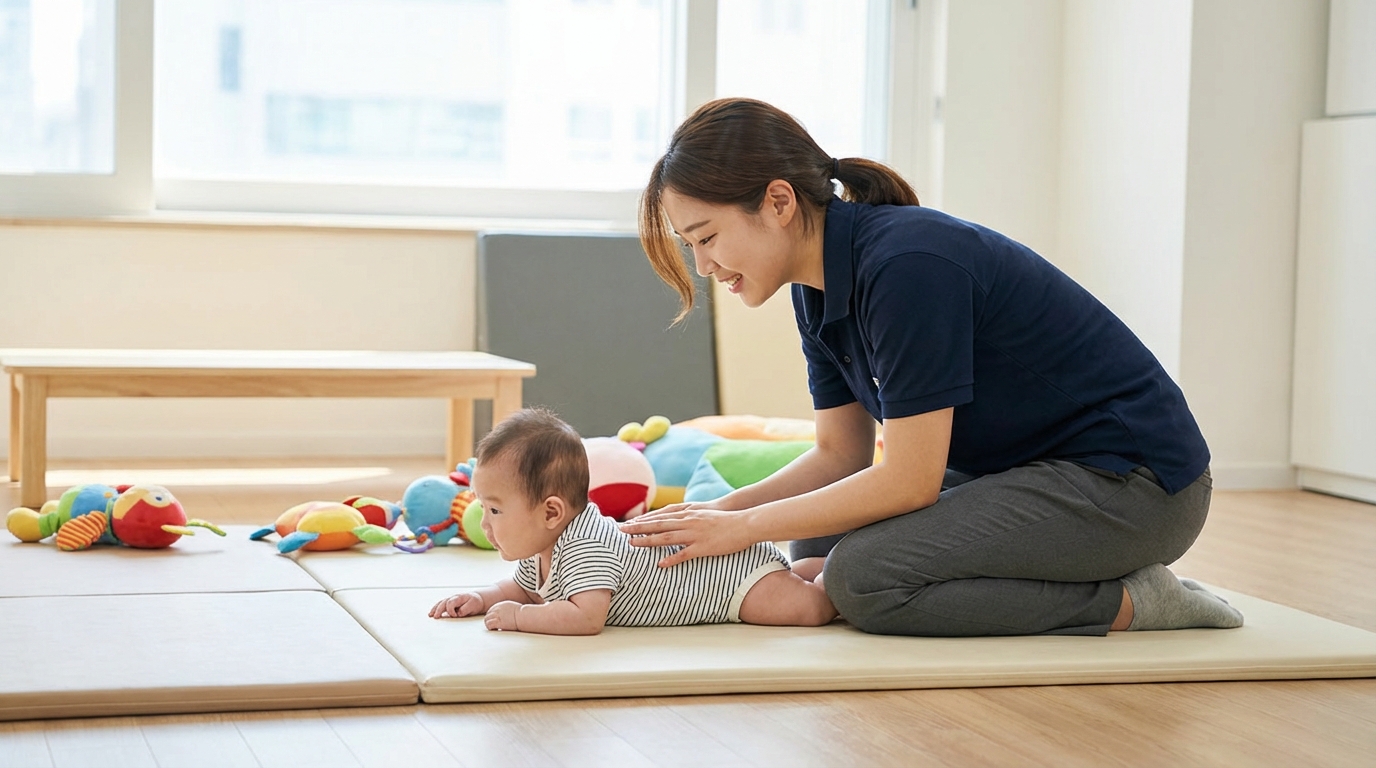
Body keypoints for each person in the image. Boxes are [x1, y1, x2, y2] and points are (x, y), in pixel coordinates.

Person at [620, 97, 1243, 637]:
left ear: (778, 202)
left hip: (1138, 487)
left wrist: (745, 524)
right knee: (815, 544)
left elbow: (910, 480)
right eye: (690, 246)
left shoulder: (907, 266)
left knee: (864, 579)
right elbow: (840, 456)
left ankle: (1134, 601)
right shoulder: (814, 289)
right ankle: (1079, 565)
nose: (702, 266)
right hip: (1030, 474)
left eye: (705, 237)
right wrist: (720, 516)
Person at [429, 407, 835, 634]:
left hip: (731, 585)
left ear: (551, 511)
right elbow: (521, 586)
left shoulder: (587, 546)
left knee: (808, 609)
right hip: (729, 569)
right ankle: (802, 570)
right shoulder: (545, 543)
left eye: (495, 510)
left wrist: (520, 617)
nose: (485, 523)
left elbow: (586, 617)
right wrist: (482, 598)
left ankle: (830, 577)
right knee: (788, 583)